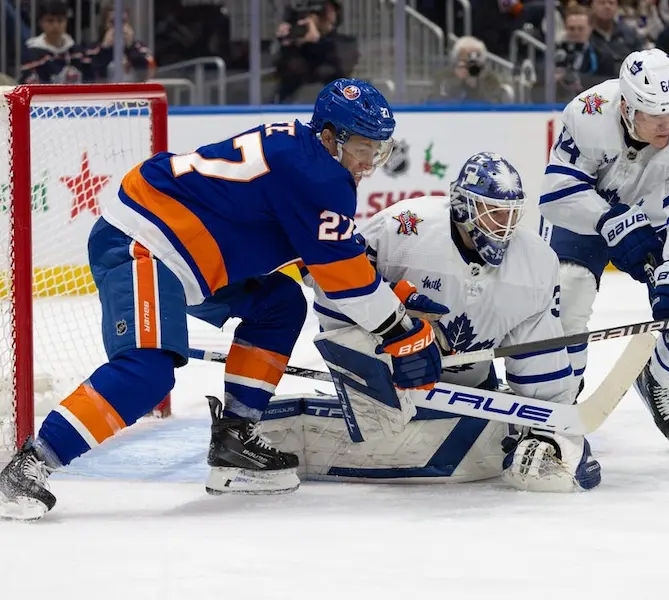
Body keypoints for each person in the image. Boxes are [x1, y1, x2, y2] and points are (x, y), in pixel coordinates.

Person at [0, 78, 444, 520]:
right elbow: (345, 280)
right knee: (147, 374)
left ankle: (235, 438)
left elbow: (323, 261)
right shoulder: (319, 175)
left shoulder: (307, 155)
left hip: (189, 251)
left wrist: (376, 291)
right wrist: (400, 330)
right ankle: (29, 466)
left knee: (280, 304)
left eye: (378, 150)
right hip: (145, 242)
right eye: (363, 148)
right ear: (330, 137)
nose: (370, 163)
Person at [267, 152, 601, 492]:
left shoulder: (536, 261)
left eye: (511, 213)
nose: (505, 224)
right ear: (461, 206)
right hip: (391, 376)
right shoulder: (403, 227)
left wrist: (555, 425)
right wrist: (373, 359)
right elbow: (335, 287)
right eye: (494, 212)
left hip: (469, 386)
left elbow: (537, 352)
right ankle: (368, 399)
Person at [539, 48, 669, 448]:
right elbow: (557, 193)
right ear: (626, 107)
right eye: (654, 115)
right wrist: (609, 219)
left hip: (661, 221)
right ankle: (558, 405)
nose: (667, 125)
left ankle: (656, 379)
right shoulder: (588, 111)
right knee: (568, 297)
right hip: (587, 211)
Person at [20, 0, 93, 84]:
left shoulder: (78, 52)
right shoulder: (31, 54)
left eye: (60, 20)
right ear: (41, 22)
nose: (56, 25)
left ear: (66, 21)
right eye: (50, 21)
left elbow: (90, 81)